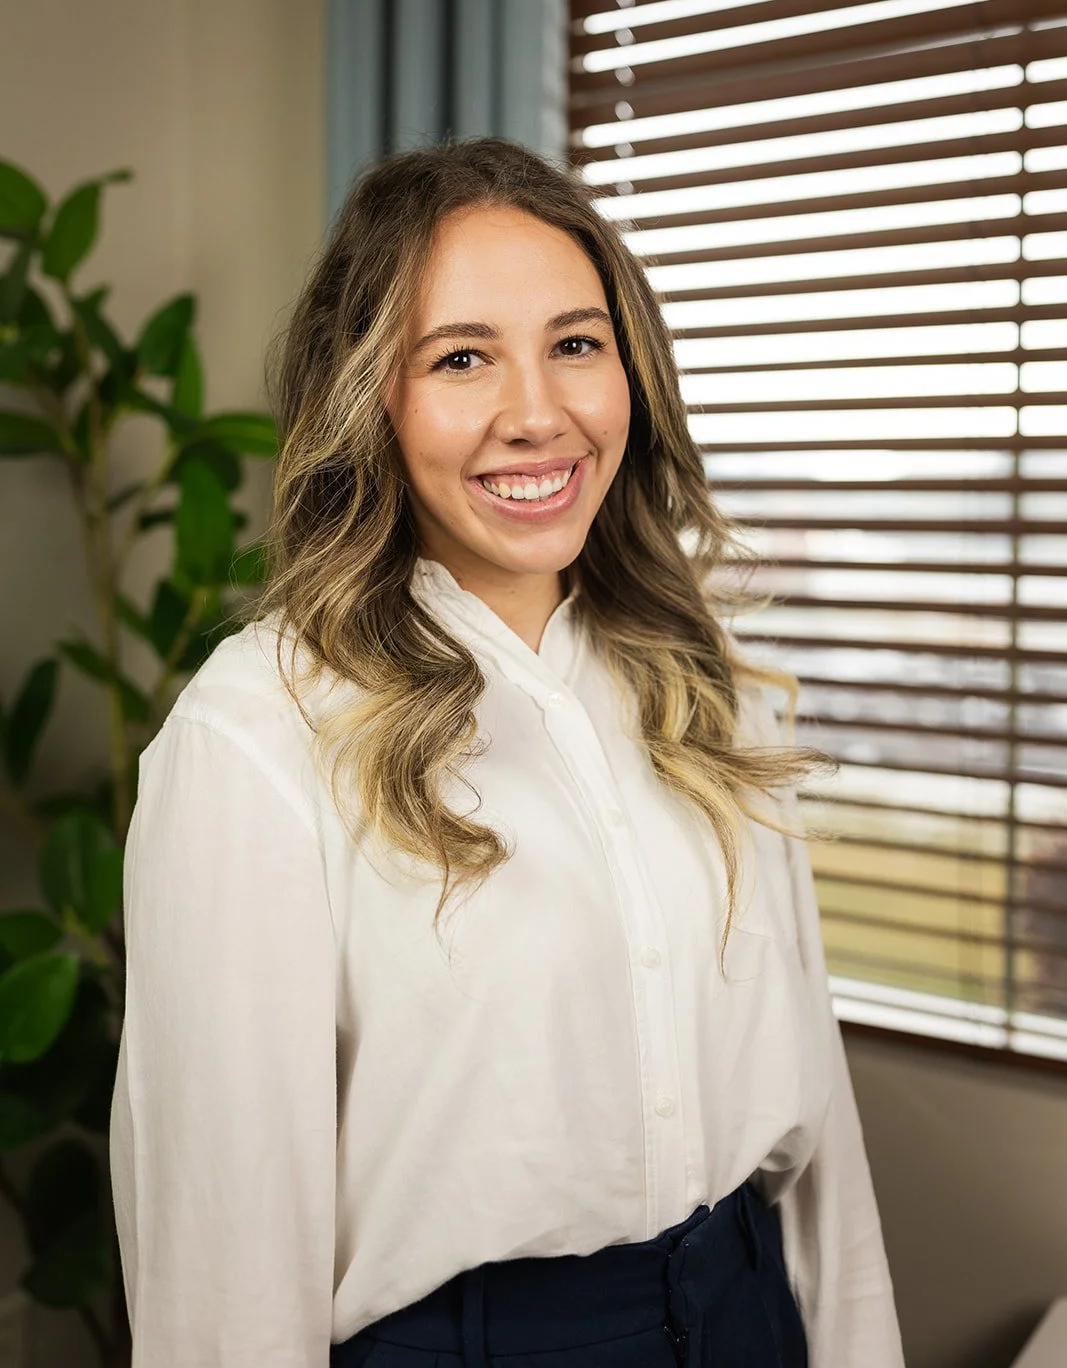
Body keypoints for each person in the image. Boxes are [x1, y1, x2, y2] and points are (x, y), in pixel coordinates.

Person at [109, 137, 906, 1368]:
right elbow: (223, 1272)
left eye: (575, 343)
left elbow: (821, 1150)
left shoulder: (713, 689)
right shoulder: (253, 741)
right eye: (462, 357)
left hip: (751, 1315)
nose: (536, 412)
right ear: (373, 397)